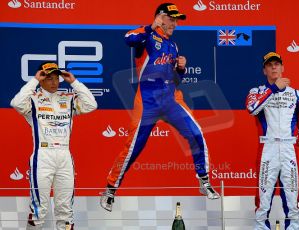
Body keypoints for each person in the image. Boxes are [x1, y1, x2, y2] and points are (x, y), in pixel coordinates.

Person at [100, 2, 220, 212]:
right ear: (160, 18)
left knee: (196, 133)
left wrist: (181, 69)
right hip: (147, 100)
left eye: (176, 20)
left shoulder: (173, 46)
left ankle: (204, 180)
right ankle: (111, 188)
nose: (174, 24)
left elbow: (175, 78)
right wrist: (149, 26)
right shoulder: (145, 37)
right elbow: (128, 39)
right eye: (171, 19)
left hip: (171, 98)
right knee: (133, 147)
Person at [11, 62, 97, 230]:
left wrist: (74, 82)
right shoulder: (33, 100)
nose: (54, 82)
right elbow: (16, 103)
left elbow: (91, 105)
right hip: (42, 156)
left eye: (56, 78)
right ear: (41, 79)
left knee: (65, 210)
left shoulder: (68, 98)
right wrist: (34, 81)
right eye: (48, 78)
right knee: (39, 209)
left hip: (64, 156)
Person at [246, 52, 299, 230]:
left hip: (288, 147)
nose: (274, 67)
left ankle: (293, 227)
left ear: (283, 68)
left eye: (277, 64)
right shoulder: (256, 91)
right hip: (268, 147)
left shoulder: (297, 94)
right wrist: (274, 88)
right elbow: (252, 109)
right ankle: (260, 227)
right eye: (270, 65)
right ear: (264, 70)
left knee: (291, 193)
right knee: (264, 193)